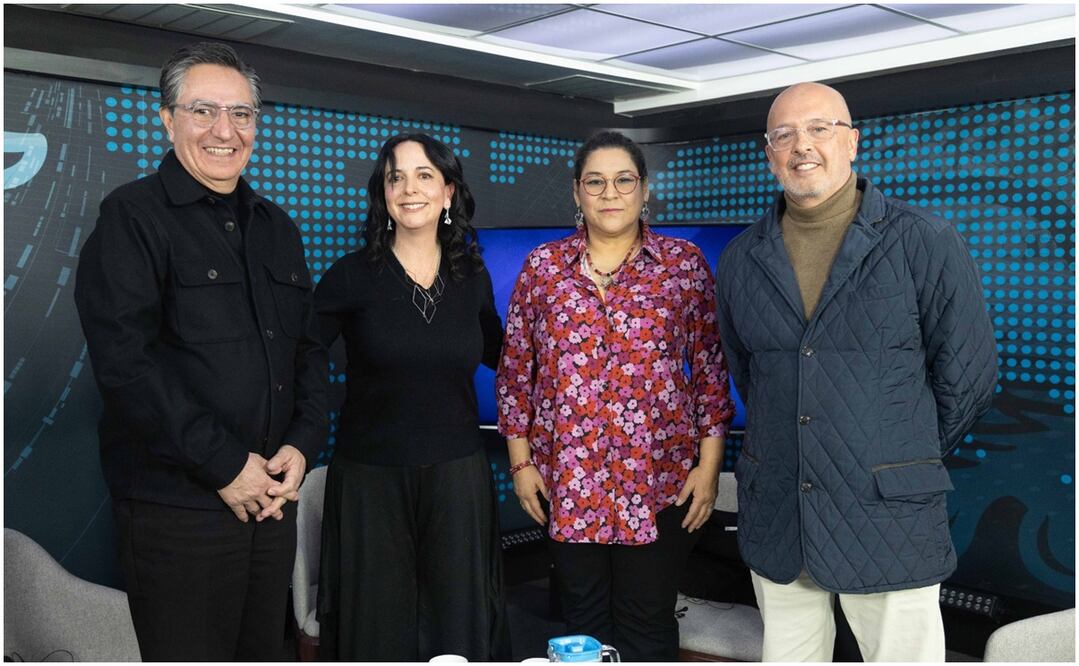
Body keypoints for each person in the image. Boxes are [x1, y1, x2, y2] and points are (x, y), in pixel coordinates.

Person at [715, 82, 999, 662]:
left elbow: (969, 376)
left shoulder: (923, 240)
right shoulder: (743, 257)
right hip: (780, 512)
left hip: (887, 510)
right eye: (784, 134)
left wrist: (897, 449)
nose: (802, 146)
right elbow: (751, 375)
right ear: (769, 153)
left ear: (852, 143)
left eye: (820, 128)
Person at [74, 42, 327, 660]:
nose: (225, 130)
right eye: (204, 111)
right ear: (166, 119)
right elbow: (125, 365)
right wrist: (223, 467)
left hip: (270, 503)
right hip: (180, 509)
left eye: (242, 114)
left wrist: (301, 444)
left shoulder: (278, 227)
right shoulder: (132, 217)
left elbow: (308, 351)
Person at [496, 130, 735, 662]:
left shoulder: (684, 265)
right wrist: (520, 464)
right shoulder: (543, 269)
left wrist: (709, 468)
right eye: (595, 182)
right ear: (576, 193)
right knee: (581, 622)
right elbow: (516, 373)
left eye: (624, 180)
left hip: (660, 480)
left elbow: (711, 371)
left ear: (644, 190)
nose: (611, 193)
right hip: (569, 479)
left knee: (647, 619)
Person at [314, 133, 510, 661]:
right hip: (369, 482)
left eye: (424, 175)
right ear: (383, 193)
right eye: (395, 176)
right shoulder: (351, 275)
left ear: (448, 191)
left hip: (457, 477)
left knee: (459, 623)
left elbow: (509, 357)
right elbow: (297, 358)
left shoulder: (472, 276)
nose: (409, 188)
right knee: (376, 629)